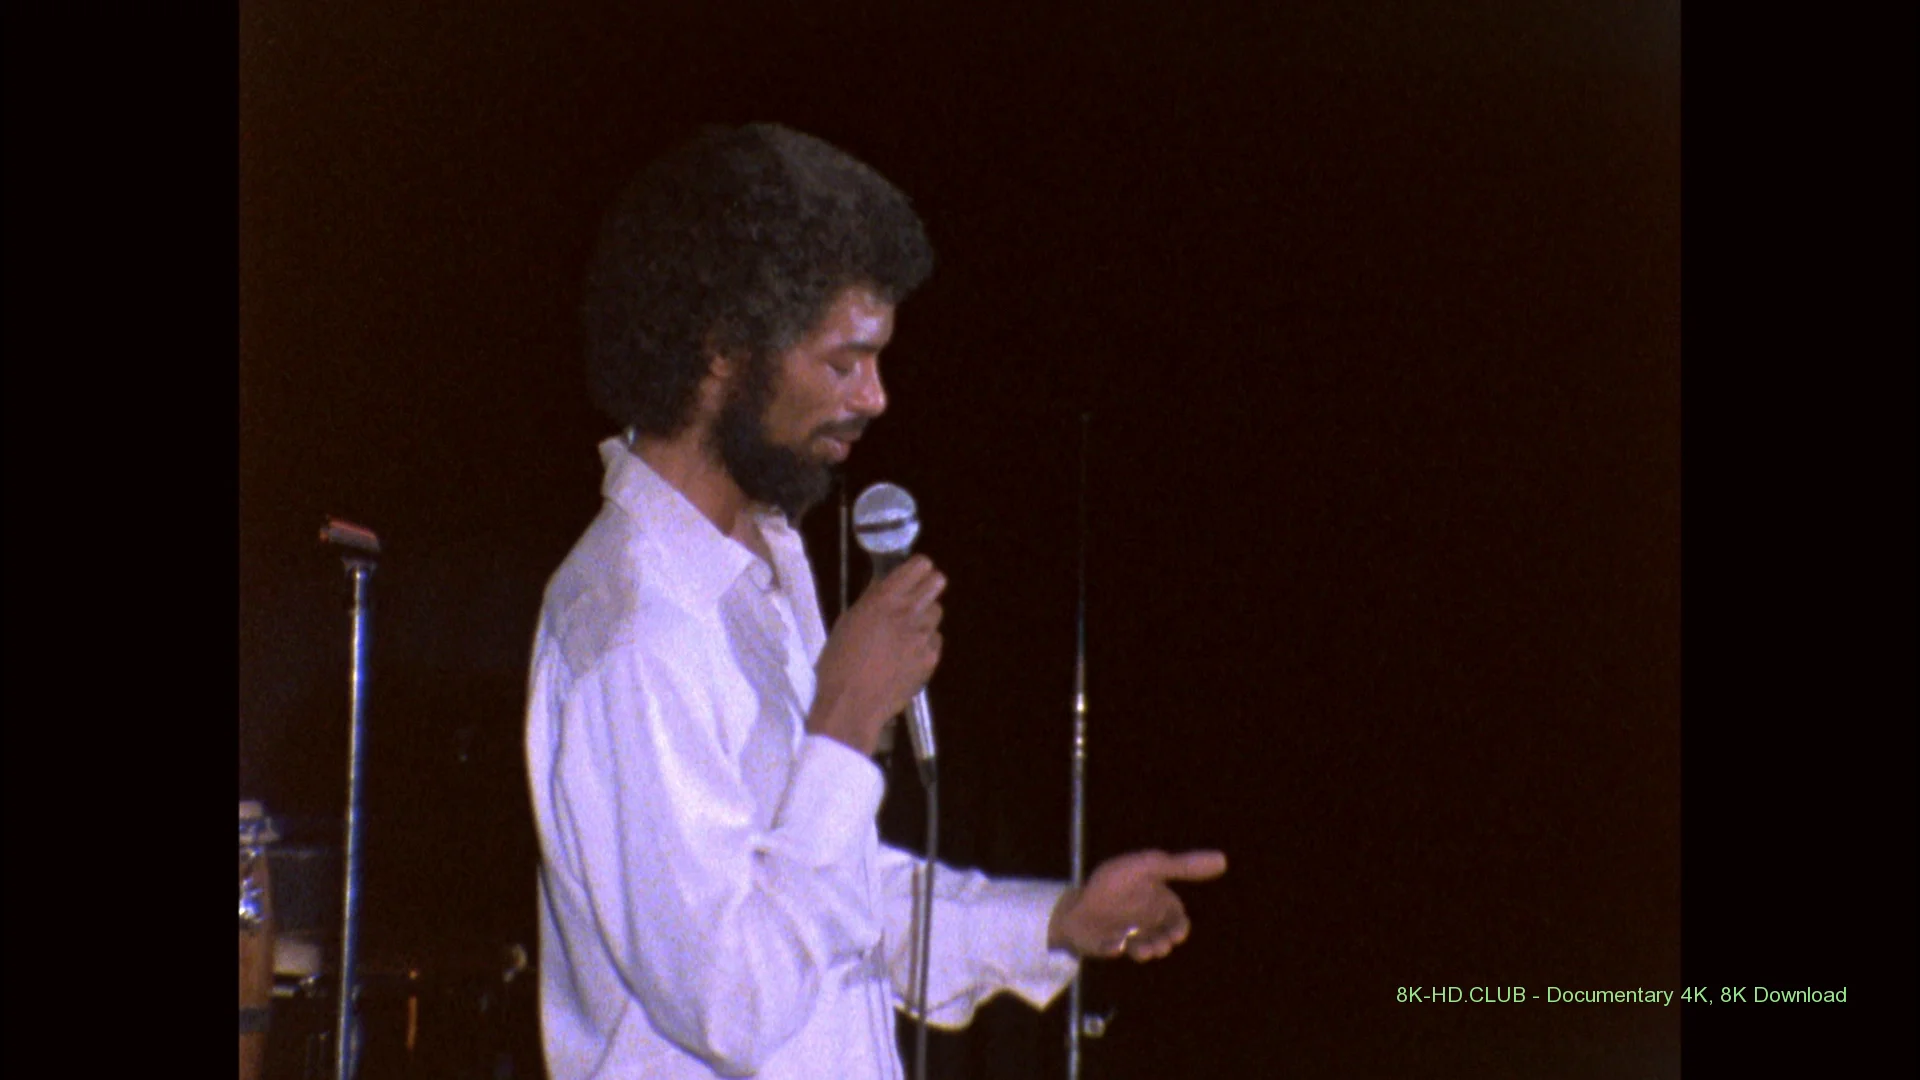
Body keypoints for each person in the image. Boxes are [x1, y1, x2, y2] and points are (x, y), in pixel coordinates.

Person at [525, 123, 1226, 1079]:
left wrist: (1058, 920)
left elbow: (833, 898)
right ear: (723, 349)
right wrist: (848, 716)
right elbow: (732, 998)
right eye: (844, 362)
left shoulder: (759, 562)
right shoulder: (631, 626)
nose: (877, 397)